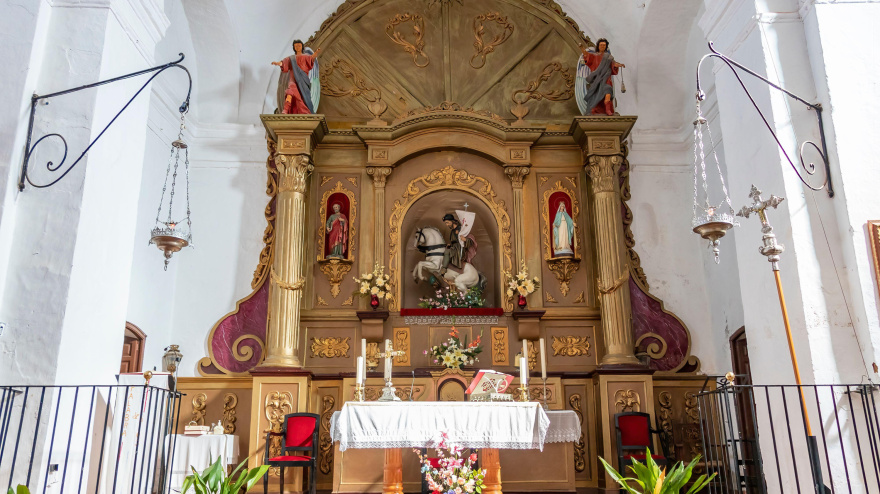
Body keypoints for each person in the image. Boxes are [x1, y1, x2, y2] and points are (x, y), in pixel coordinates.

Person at [272, 40, 321, 114]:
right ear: (294, 48)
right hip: (293, 80)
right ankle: (285, 109)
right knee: (290, 91)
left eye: (299, 46)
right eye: (296, 46)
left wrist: (316, 52)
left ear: (302, 47)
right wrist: (278, 63)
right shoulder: (291, 58)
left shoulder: (306, 57)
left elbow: (311, 59)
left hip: (303, 81)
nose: (297, 47)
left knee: (302, 98)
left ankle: (303, 111)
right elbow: (284, 63)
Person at [579, 38, 625, 116]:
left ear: (606, 46)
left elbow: (613, 64)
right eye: (601, 45)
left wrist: (619, 65)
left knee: (608, 92)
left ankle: (608, 110)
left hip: (606, 79)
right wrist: (581, 48)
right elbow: (586, 55)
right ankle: (594, 110)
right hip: (597, 80)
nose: (602, 46)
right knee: (596, 96)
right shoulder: (594, 56)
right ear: (598, 46)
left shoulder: (608, 57)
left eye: (604, 45)